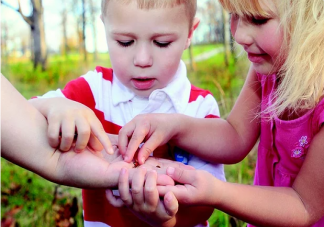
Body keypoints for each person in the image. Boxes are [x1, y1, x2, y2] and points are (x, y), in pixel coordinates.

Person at [118, 0, 324, 226]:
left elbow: (304, 205)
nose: (240, 35)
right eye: (234, 15)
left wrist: (216, 192)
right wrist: (173, 126)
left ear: (313, 22)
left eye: (258, 19)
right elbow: (235, 136)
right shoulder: (267, 70)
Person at [29, 0, 226, 226]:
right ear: (105, 27)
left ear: (190, 32)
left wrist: (167, 218)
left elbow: (208, 201)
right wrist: (55, 106)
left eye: (162, 43)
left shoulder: (200, 108)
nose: (142, 60)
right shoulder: (94, 90)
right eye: (125, 42)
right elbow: (22, 113)